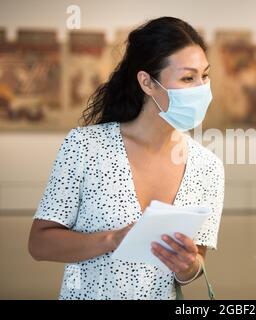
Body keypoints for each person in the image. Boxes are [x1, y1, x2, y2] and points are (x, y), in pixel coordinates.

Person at [28, 16, 225, 300]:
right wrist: (113, 239)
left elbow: (195, 265)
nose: (201, 88)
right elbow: (39, 244)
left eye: (204, 75)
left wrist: (188, 265)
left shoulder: (208, 167)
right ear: (147, 82)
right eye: (187, 77)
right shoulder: (85, 147)